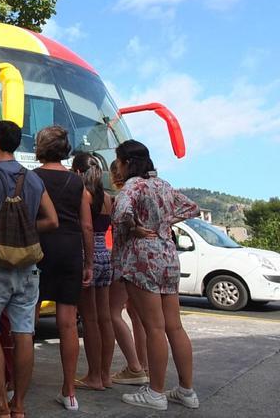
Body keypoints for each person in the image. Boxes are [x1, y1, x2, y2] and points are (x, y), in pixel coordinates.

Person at [0, 120, 58, 418]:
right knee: (23, 333)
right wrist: (25, 228)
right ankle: (18, 407)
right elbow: (52, 221)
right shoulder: (33, 179)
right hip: (29, 267)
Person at [112, 140, 200, 411]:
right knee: (174, 326)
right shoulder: (163, 185)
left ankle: (156, 392)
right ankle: (186, 390)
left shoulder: (132, 186)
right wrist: (164, 222)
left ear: (127, 162)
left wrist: (137, 227)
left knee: (154, 327)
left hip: (143, 258)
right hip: (167, 255)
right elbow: (192, 208)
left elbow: (121, 213)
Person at [32, 125, 94, 411]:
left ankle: (15, 385)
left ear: (41, 148)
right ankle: (69, 392)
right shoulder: (77, 182)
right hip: (70, 252)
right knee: (68, 323)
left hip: (38, 250)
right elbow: (86, 225)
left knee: (27, 321)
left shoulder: (32, 179)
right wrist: (90, 261)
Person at [72, 153, 116, 391]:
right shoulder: (108, 198)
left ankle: (93, 376)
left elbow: (87, 227)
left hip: (87, 255)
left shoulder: (83, 195)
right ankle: (106, 375)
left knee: (89, 320)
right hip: (105, 255)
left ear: (78, 172)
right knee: (105, 317)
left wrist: (87, 262)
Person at [107, 159, 150, 386]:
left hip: (124, 261)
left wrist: (132, 228)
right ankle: (143, 365)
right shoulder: (145, 195)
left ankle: (134, 367)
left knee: (113, 312)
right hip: (142, 262)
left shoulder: (122, 197)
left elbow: (123, 222)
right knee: (136, 314)